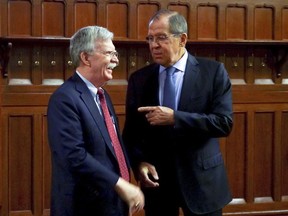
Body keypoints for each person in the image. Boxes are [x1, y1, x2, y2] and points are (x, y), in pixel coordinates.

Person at [122, 9, 233, 216]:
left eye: (161, 38)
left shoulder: (213, 72)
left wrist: (175, 117)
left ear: (182, 39)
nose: (154, 45)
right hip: (158, 183)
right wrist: (138, 163)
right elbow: (131, 133)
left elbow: (224, 123)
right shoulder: (139, 79)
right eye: (150, 38)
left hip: (202, 181)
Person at [47, 26, 144, 216]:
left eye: (115, 53)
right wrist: (119, 184)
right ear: (86, 58)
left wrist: (137, 165)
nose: (116, 59)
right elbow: (74, 156)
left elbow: (112, 147)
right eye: (109, 53)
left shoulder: (102, 95)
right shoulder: (65, 98)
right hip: (84, 207)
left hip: (111, 203)